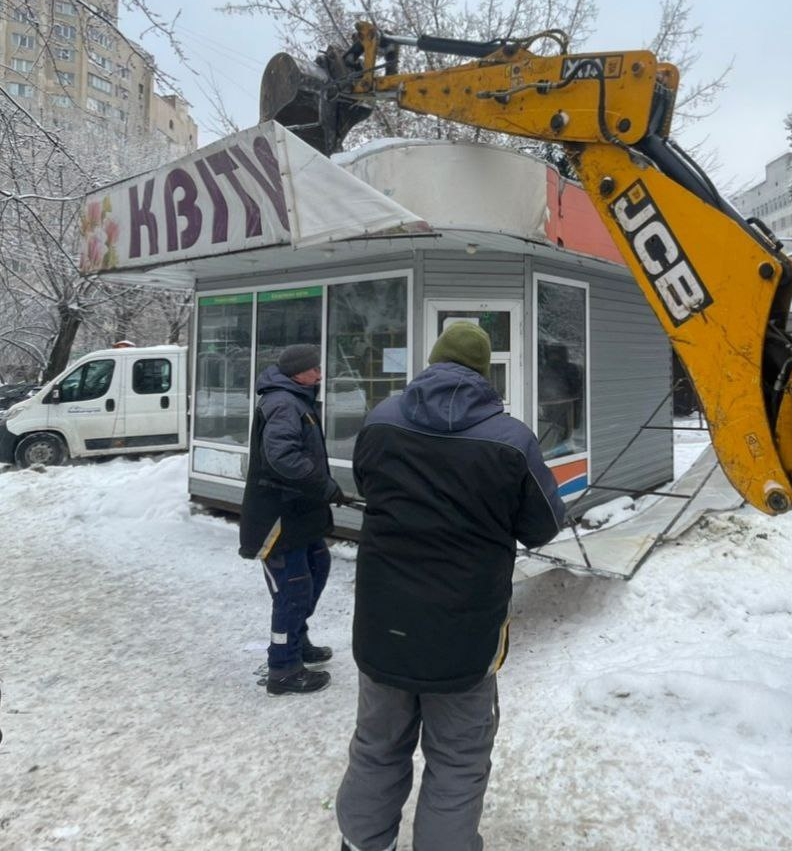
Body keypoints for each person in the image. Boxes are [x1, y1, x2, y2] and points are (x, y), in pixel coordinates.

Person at [336, 322, 565, 851]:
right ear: (485, 373)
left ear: (433, 361)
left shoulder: (380, 422)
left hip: (383, 623)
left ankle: (362, 843)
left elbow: (366, 484)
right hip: (464, 634)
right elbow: (543, 525)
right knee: (458, 759)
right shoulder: (511, 442)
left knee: (376, 743)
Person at [239, 342, 348, 696]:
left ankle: (297, 641)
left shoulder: (295, 398)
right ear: (296, 373)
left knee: (318, 566)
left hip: (300, 513)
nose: (319, 374)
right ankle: (283, 668)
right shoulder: (283, 403)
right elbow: (282, 456)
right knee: (293, 588)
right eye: (313, 369)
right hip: (278, 517)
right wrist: (322, 484)